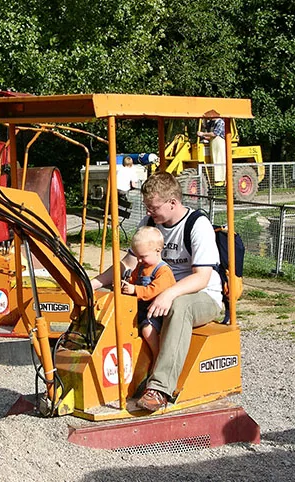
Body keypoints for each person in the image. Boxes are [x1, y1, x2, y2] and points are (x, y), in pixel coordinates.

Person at [91, 172, 223, 412]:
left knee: (179, 306)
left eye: (153, 208)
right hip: (159, 292)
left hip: (201, 296)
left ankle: (160, 388)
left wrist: (169, 294)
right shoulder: (150, 225)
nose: (149, 213)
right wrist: (96, 283)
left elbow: (202, 278)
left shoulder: (197, 225)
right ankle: (116, 376)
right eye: (147, 208)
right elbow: (128, 263)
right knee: (117, 299)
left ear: (173, 202)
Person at [120, 226, 177, 362]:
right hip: (141, 308)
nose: (139, 260)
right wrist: (125, 284)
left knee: (147, 329)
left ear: (158, 251)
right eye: (137, 256)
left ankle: (158, 357)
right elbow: (133, 279)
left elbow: (152, 291)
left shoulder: (163, 271)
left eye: (143, 256)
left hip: (157, 313)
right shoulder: (141, 267)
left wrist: (134, 290)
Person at [197, 118, 227, 183]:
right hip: (213, 143)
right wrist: (204, 137)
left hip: (219, 143)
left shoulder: (220, 122)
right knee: (214, 160)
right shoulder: (213, 122)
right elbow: (210, 135)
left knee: (219, 160)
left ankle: (221, 179)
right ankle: (216, 179)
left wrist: (203, 134)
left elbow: (214, 134)